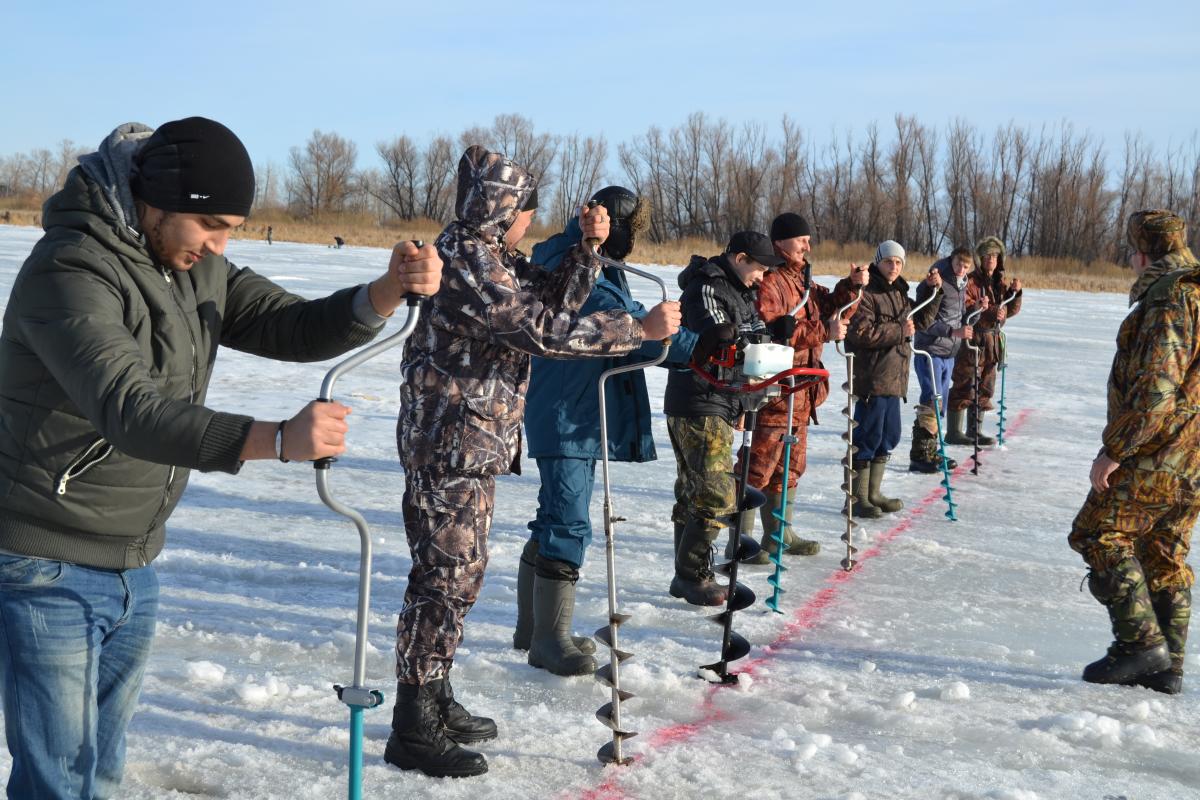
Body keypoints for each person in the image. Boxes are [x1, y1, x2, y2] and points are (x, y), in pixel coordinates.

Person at [0, 117, 442, 800]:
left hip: (133, 556)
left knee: (101, 773)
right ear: (157, 203)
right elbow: (129, 409)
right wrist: (274, 440)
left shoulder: (194, 267)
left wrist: (383, 293)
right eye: (212, 227)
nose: (219, 246)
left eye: (231, 229)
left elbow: (287, 324)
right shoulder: (70, 269)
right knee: (57, 783)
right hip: (45, 562)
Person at [388, 147, 680, 778]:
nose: (529, 220)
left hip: (473, 439)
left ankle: (434, 696)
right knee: (442, 577)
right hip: (449, 440)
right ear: (501, 209)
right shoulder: (465, 261)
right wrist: (637, 330)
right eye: (524, 209)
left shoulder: (488, 255)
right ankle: (412, 723)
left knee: (459, 575)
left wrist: (586, 250)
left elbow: (553, 298)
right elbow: (536, 329)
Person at [516, 185, 696, 676]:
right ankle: (548, 641)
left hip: (577, 411)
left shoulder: (592, 261)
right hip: (566, 411)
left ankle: (531, 628)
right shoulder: (577, 263)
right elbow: (623, 330)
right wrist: (690, 346)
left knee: (555, 513)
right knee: (568, 522)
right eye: (627, 228)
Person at [1068, 210, 1200, 693]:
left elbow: (1157, 390)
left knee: (1097, 533)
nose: (1128, 258)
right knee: (1164, 552)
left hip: (1158, 452)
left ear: (1145, 252)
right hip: (1192, 458)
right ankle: (1169, 668)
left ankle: (1140, 645)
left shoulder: (1170, 300)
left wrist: (1115, 450)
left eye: (1131, 248)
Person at [663, 231, 781, 605]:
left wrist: (745, 403)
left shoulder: (742, 293)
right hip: (699, 399)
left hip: (722, 401)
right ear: (740, 257)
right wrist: (752, 351)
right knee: (715, 493)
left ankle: (685, 575)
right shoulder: (708, 288)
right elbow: (726, 344)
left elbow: (756, 340)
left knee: (694, 490)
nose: (761, 277)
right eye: (759, 269)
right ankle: (692, 574)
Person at [736, 212, 861, 562]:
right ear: (780, 243)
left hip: (804, 392)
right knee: (758, 466)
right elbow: (775, 331)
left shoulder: (802, 280)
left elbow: (832, 307)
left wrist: (852, 286)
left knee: (789, 467)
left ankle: (779, 534)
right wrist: (825, 332)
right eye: (800, 239)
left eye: (807, 239)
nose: (807, 245)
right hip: (776, 390)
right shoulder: (771, 281)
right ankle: (741, 541)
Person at [843, 241, 939, 517]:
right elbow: (860, 333)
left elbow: (918, 322)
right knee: (868, 436)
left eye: (898, 263)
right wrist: (899, 330)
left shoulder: (899, 292)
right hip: (872, 377)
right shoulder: (867, 292)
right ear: (878, 262)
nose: (894, 267)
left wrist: (935, 292)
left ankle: (873, 493)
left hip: (894, 378)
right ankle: (856, 497)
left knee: (889, 435)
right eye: (889, 262)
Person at [944, 236, 1023, 446]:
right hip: (973, 340)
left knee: (985, 387)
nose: (991, 259)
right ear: (980, 258)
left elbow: (1009, 310)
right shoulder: (970, 282)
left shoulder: (999, 284)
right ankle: (953, 432)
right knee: (965, 383)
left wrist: (1016, 294)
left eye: (995, 256)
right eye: (987, 255)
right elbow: (967, 308)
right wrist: (991, 310)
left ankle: (974, 430)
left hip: (992, 341)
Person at [909, 245, 977, 473]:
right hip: (930, 350)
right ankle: (920, 455)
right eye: (959, 264)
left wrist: (976, 310)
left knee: (941, 404)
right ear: (951, 260)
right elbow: (924, 320)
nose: (962, 269)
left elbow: (958, 317)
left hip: (949, 353)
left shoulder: (962, 284)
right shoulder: (935, 281)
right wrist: (952, 332)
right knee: (931, 401)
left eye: (966, 266)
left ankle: (932, 450)